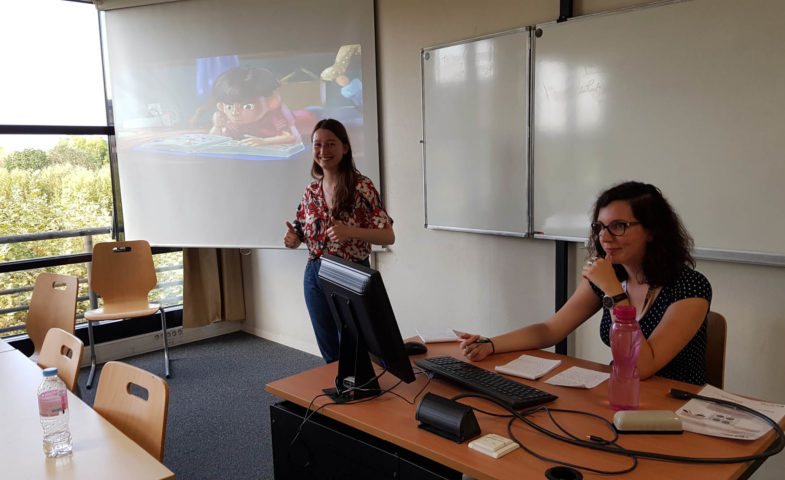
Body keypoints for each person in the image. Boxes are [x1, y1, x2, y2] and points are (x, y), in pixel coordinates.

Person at [459, 181, 712, 385]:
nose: (604, 237)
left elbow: (641, 368)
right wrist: (490, 344)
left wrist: (613, 292)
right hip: (622, 395)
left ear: (652, 231)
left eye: (619, 226)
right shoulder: (607, 277)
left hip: (676, 409)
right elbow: (550, 330)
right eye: (600, 227)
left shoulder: (690, 287)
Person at [284, 119, 395, 363]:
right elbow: (301, 232)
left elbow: (388, 235)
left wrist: (350, 232)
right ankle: (341, 391)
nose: (323, 151)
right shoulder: (311, 191)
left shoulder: (361, 186)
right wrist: (293, 239)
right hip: (315, 272)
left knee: (358, 345)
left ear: (345, 148)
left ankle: (367, 395)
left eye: (331, 144)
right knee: (328, 345)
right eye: (317, 145)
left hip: (350, 271)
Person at [209, 66, 314, 146]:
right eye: (229, 107)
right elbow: (215, 139)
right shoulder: (229, 119)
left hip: (305, 120)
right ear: (221, 107)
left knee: (312, 114)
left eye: (247, 107)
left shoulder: (275, 114)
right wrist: (216, 126)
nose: (235, 112)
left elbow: (292, 136)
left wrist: (264, 141)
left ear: (271, 102)